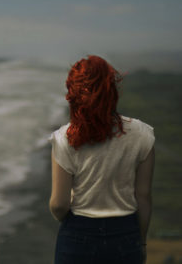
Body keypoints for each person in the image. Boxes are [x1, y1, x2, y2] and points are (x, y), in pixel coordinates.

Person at [48, 55, 155, 264]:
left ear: (73, 92)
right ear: (111, 90)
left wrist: (73, 225)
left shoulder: (64, 138)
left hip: (78, 234)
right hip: (125, 235)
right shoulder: (143, 133)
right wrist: (141, 243)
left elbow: (59, 205)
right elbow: (143, 197)